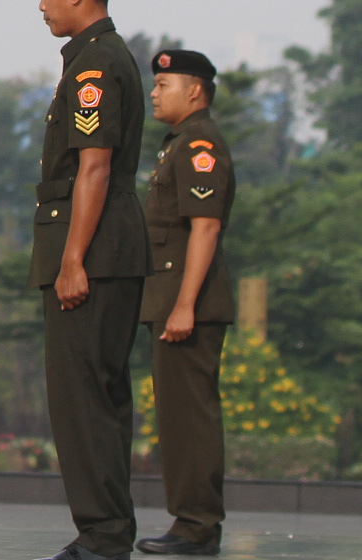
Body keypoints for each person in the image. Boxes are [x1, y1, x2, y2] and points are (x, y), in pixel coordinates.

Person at [28, 0, 148, 560]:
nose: (42, 5)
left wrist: (73, 258)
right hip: (107, 248)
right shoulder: (95, 58)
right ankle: (106, 532)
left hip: (93, 252)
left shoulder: (95, 66)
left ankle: (102, 537)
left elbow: (94, 169)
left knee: (84, 398)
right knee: (96, 395)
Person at [137, 49, 235, 557]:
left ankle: (196, 526)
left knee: (190, 417)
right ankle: (189, 521)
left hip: (187, 306)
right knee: (176, 417)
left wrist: (184, 305)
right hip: (172, 300)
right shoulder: (177, 144)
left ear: (194, 91)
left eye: (164, 84)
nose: (155, 92)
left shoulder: (199, 142)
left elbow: (206, 225)